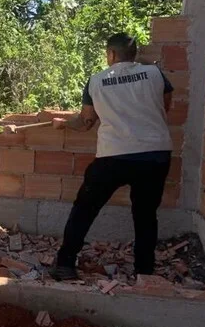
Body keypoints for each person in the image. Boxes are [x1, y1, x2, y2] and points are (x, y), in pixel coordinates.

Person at [50, 33, 174, 281]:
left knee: (84, 209)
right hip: (155, 155)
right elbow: (165, 106)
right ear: (134, 54)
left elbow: (85, 122)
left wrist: (63, 123)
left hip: (113, 156)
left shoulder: (96, 81)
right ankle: (145, 273)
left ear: (111, 54)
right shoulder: (155, 74)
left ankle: (65, 263)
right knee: (146, 215)